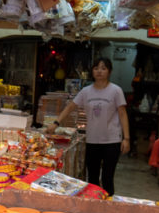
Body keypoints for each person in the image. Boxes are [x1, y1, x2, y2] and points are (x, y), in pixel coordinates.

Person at [46, 57, 130, 196]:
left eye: (103, 68)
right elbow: (70, 107)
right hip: (92, 140)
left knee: (108, 178)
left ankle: (108, 208)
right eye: (96, 68)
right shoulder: (86, 91)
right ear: (92, 71)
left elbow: (122, 113)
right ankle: (94, 206)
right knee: (92, 178)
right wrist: (56, 123)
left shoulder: (116, 90)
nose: (99, 71)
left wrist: (126, 138)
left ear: (109, 71)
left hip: (112, 141)